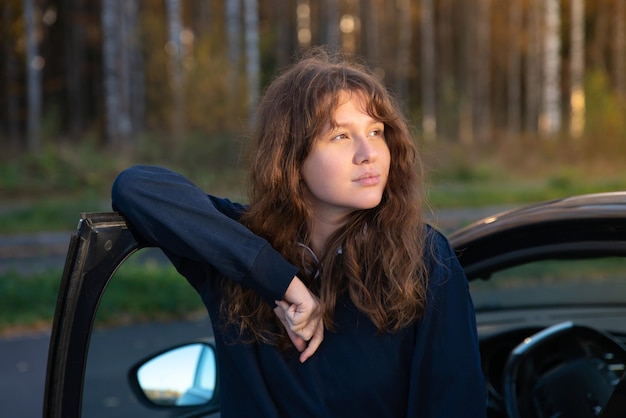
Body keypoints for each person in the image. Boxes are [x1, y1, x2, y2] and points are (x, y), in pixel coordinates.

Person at [112, 50, 487, 417]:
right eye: (341, 136)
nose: (368, 153)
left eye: (376, 132)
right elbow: (136, 188)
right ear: (292, 156)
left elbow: (455, 402)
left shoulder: (421, 257)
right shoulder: (235, 246)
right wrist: (281, 281)